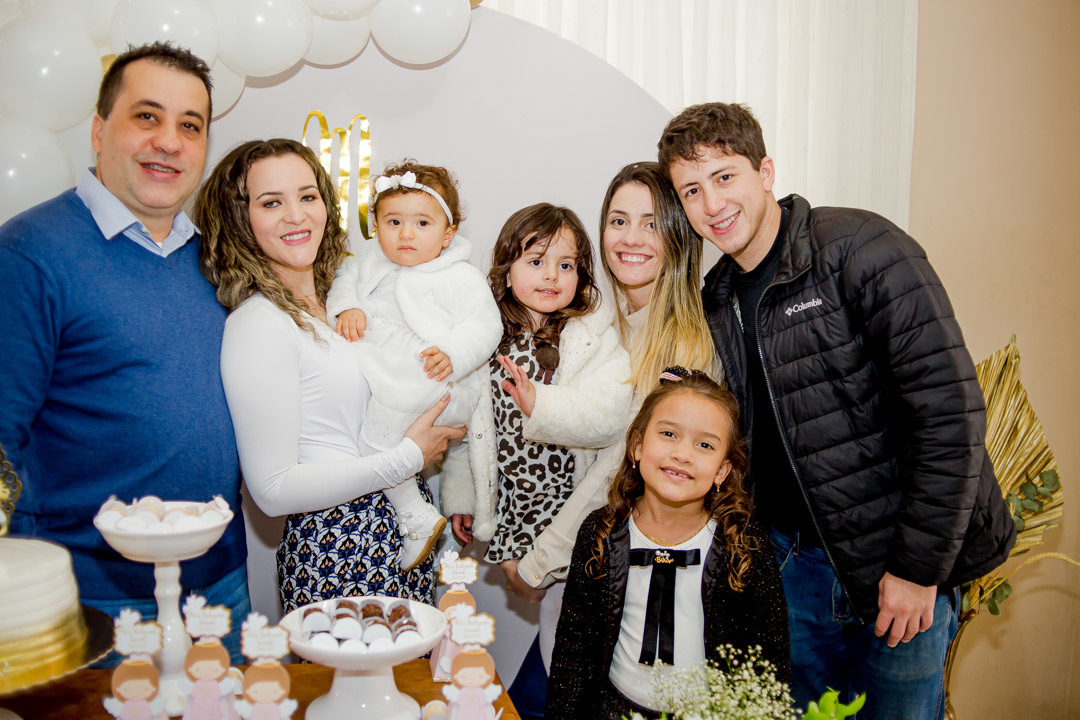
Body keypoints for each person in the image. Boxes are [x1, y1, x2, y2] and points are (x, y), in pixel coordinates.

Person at [659, 102, 1017, 719]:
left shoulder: (861, 249)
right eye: (692, 190)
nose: (711, 203)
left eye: (724, 176)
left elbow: (949, 417)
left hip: (896, 569)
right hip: (793, 570)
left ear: (765, 173)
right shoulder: (719, 294)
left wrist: (916, 570)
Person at [0, 42, 251, 662]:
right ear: (97, 130)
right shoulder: (27, 254)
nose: (168, 141)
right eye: (147, 116)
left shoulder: (217, 258)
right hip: (93, 602)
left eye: (189, 125)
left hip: (221, 589)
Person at [195, 139, 463, 613]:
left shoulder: (347, 299)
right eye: (271, 202)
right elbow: (273, 490)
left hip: (403, 536)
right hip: (337, 547)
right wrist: (408, 456)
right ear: (241, 219)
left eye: (307, 196)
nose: (296, 215)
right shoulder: (259, 323)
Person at [499, 165, 718, 718]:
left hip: (625, 576)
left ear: (678, 234)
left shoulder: (685, 344)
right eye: (618, 220)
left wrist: (540, 562)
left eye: (651, 223)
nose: (631, 237)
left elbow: (619, 470)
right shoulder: (594, 317)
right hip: (576, 556)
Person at [439, 203, 633, 684]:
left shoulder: (591, 335)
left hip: (571, 512)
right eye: (536, 261)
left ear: (581, 277)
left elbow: (610, 417)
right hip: (513, 509)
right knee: (544, 621)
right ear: (506, 271)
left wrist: (539, 403)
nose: (551, 275)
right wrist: (462, 497)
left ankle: (568, 695)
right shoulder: (486, 339)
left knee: (569, 628)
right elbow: (471, 431)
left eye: (566, 265)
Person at [546, 368, 789, 720]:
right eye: (669, 434)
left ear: (722, 470)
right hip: (613, 709)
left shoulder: (743, 545)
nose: (682, 454)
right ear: (637, 447)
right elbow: (574, 649)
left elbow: (770, 664)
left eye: (705, 445)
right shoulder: (600, 532)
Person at [326, 160, 502, 571]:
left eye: (422, 223)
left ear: (447, 234)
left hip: (435, 377)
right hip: (389, 372)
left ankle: (415, 515)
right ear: (376, 226)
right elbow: (343, 281)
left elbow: (485, 325)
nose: (406, 234)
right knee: (371, 439)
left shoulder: (460, 276)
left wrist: (453, 352)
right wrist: (348, 306)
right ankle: (423, 520)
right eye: (394, 222)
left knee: (376, 442)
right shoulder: (368, 259)